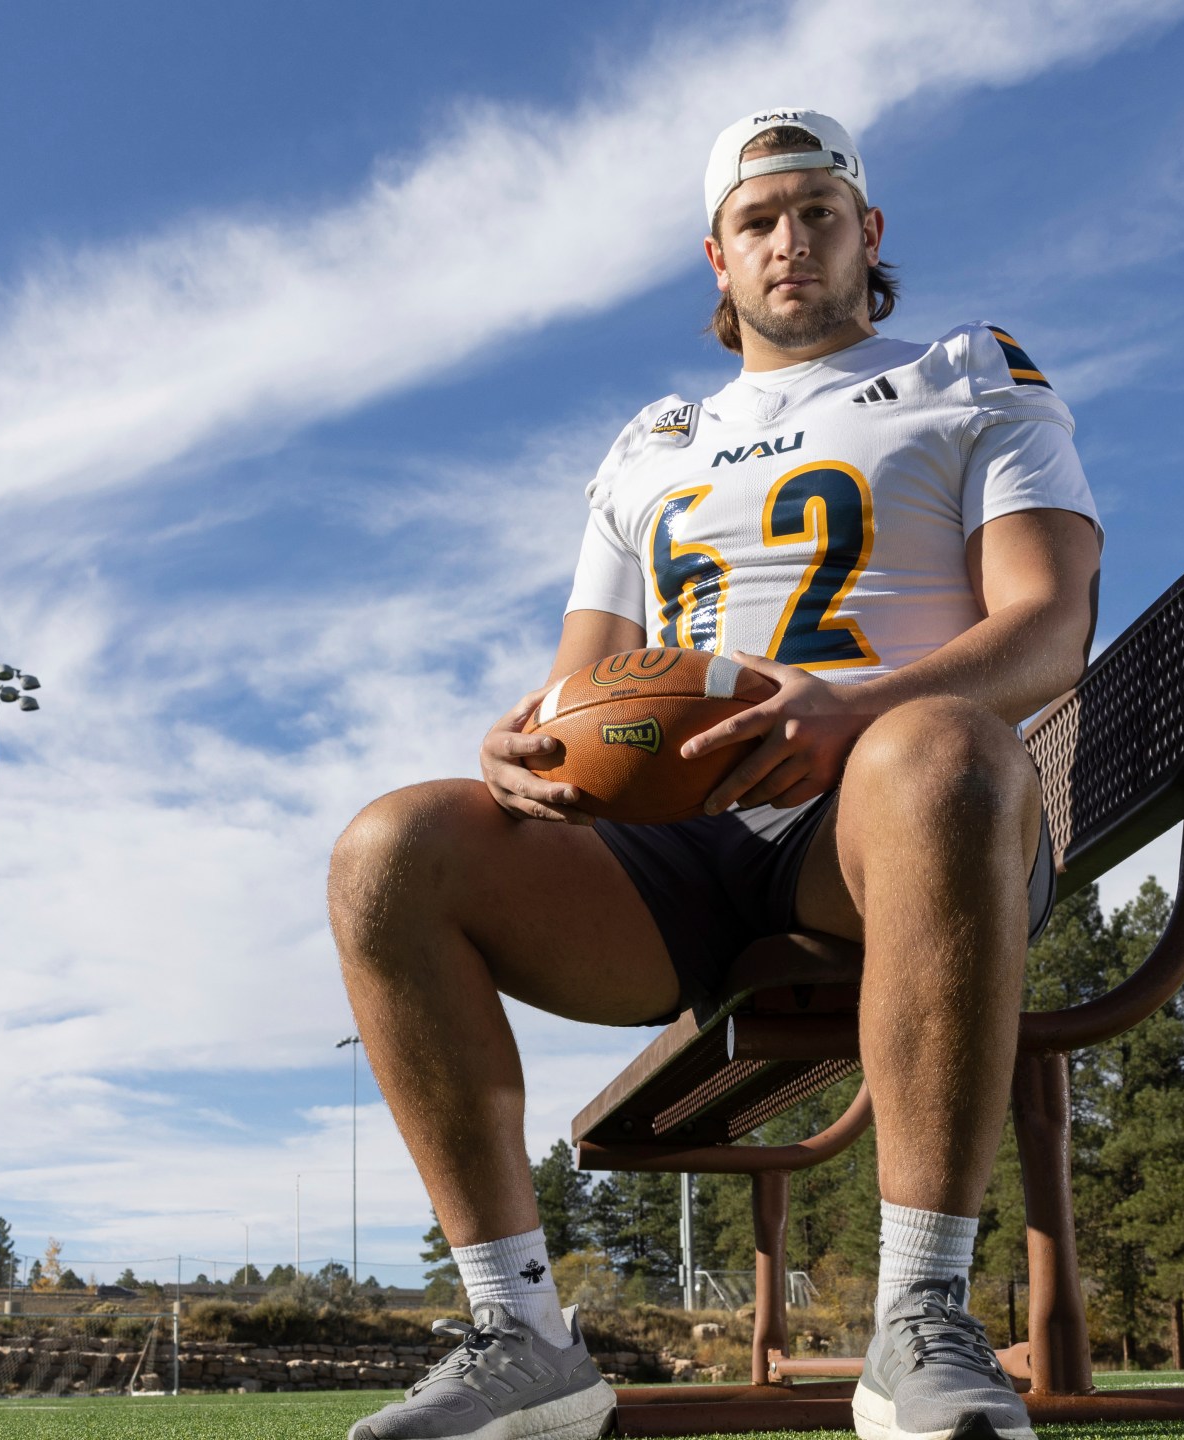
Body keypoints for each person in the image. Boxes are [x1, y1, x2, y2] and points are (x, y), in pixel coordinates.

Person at [327, 106, 1102, 1440]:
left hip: (890, 820)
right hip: (675, 846)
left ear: (868, 232)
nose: (789, 241)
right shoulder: (651, 445)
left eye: (816, 212)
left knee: (937, 751)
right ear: (716, 257)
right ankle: (521, 1336)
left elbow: (1046, 626)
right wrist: (531, 749)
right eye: (759, 221)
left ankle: (920, 1320)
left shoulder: (970, 376)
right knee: (391, 850)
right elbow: (585, 679)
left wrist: (853, 710)